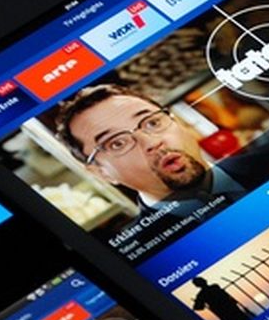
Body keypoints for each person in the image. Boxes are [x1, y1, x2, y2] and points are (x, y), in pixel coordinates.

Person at [54, 84, 247, 219]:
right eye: (117, 143)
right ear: (101, 173)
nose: (152, 142)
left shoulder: (265, 162)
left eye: (152, 123)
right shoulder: (138, 253)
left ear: (177, 122)